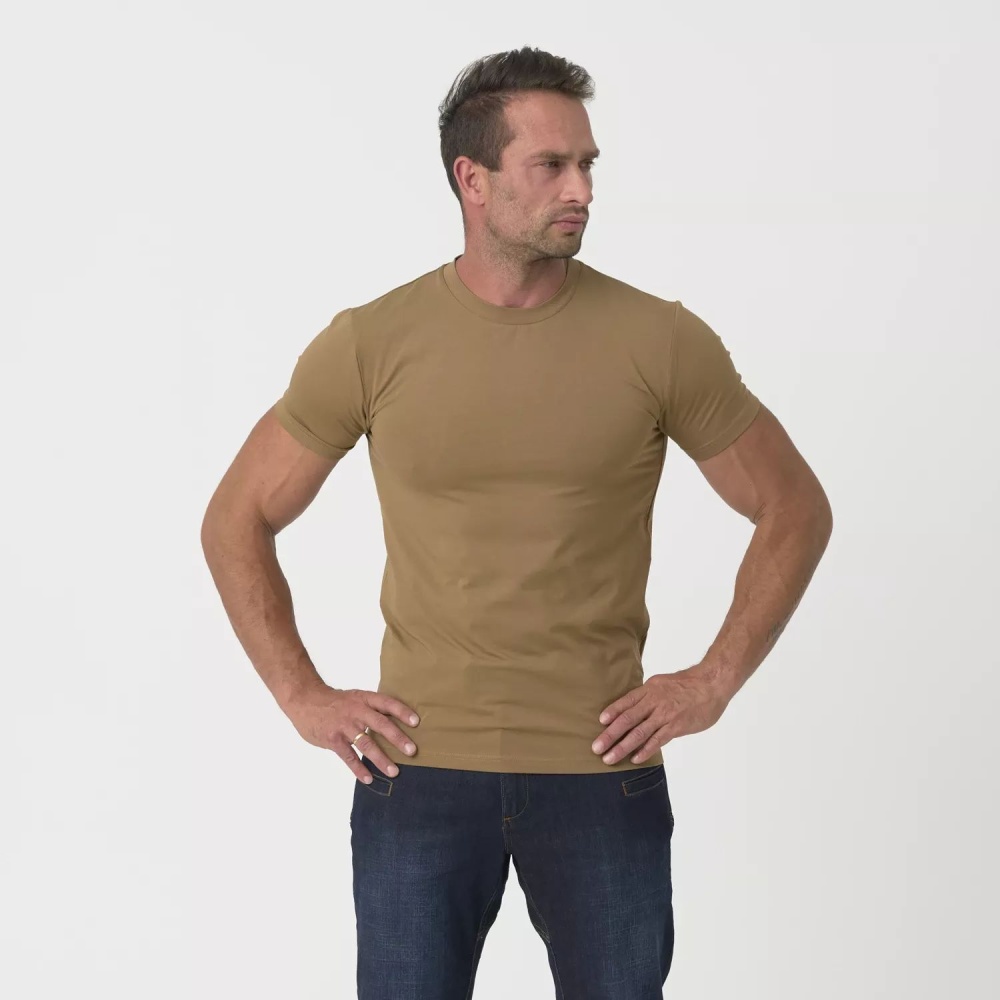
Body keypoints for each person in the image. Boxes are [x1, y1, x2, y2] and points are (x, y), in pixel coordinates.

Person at [200, 45, 833, 1000]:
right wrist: (302, 695)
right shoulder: (372, 342)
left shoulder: (659, 339)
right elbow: (236, 516)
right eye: (552, 166)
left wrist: (713, 681)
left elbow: (794, 506)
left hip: (601, 772)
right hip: (416, 775)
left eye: (588, 165)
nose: (582, 189)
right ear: (474, 179)